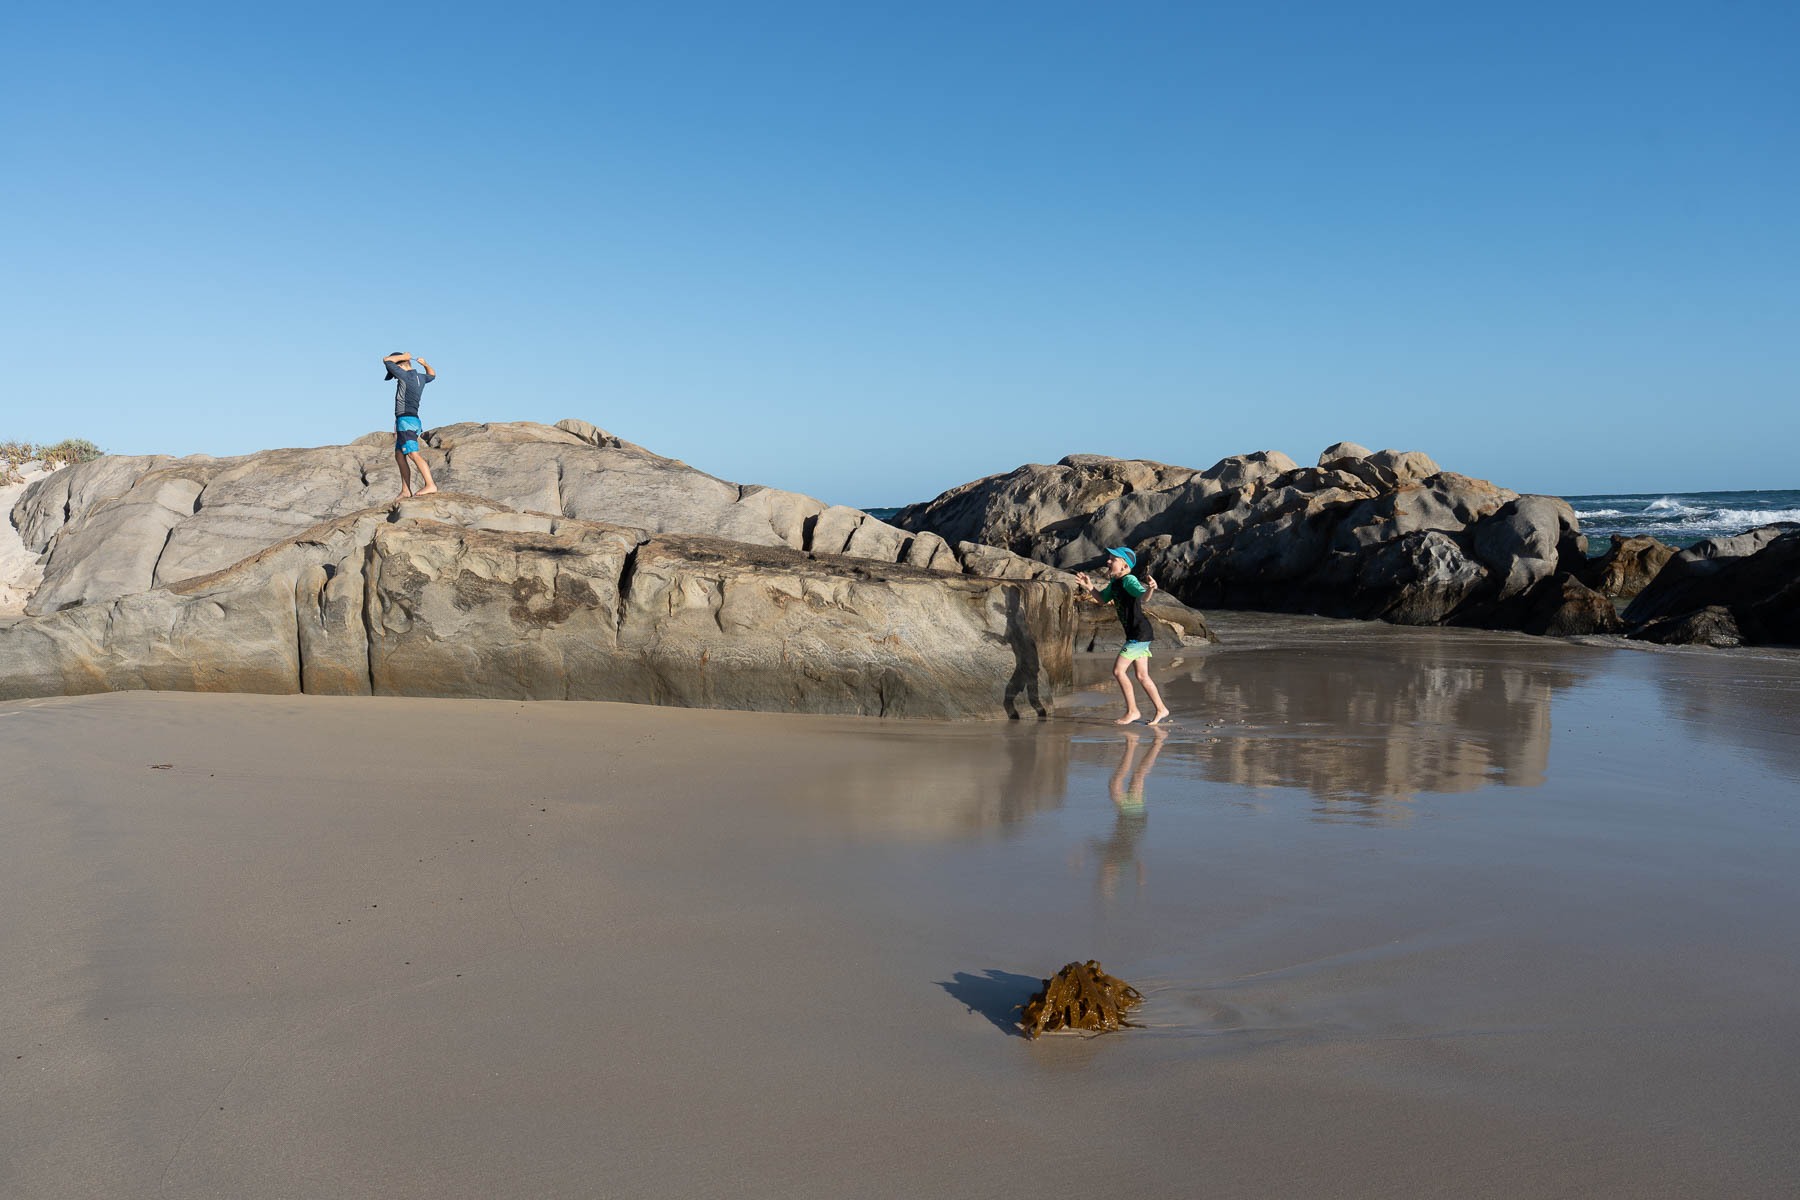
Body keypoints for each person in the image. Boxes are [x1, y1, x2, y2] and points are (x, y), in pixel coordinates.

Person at [1076, 546, 1171, 725]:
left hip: (1139, 634)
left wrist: (1151, 588)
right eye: (1109, 558)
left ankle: (1133, 711)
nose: (1108, 561)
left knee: (1118, 671)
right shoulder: (1115, 583)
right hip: (1138, 633)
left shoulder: (1129, 580)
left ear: (1125, 566)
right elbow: (1102, 599)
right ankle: (1161, 709)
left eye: (1113, 559)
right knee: (1142, 676)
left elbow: (1143, 597)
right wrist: (1089, 586)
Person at [382, 351, 439, 500]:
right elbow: (432, 375)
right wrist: (425, 364)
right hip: (410, 420)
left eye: (394, 373)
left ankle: (430, 484)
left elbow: (386, 360)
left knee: (413, 454)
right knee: (399, 454)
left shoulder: (404, 376)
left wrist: (403, 357)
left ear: (400, 366)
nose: (395, 377)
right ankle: (406, 490)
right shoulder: (420, 377)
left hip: (406, 421)